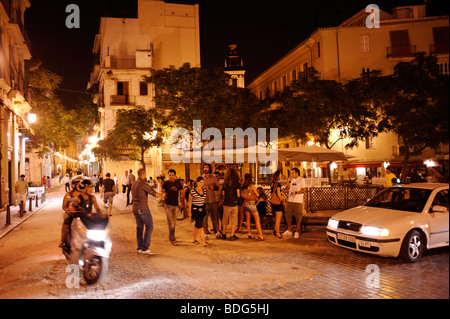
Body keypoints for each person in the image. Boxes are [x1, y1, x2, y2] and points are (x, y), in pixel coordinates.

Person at [132, 168, 159, 255]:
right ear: (143, 174)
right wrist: (163, 195)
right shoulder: (142, 183)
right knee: (149, 226)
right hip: (143, 208)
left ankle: (139, 247)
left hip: (135, 209)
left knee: (139, 228)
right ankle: (145, 248)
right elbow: (154, 193)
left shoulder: (134, 183)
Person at [284, 167, 307, 238]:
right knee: (288, 215)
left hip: (298, 201)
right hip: (290, 200)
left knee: (298, 216)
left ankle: (297, 231)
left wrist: (296, 192)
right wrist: (289, 180)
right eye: (290, 173)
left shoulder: (301, 179)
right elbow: (286, 188)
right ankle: (289, 230)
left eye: (292, 173)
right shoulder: (291, 180)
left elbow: (304, 190)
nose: (291, 174)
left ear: (296, 173)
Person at [161, 169, 183, 245]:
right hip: (168, 204)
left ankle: (171, 236)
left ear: (175, 176)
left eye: (172, 175)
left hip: (176, 204)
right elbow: (162, 192)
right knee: (171, 222)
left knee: (174, 221)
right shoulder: (165, 183)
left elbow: (182, 191)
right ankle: (172, 238)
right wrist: (163, 195)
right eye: (169, 175)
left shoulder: (178, 183)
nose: (171, 176)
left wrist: (182, 202)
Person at [241, 174, 264, 240]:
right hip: (251, 204)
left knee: (248, 219)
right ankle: (260, 234)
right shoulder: (251, 186)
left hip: (245, 203)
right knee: (257, 219)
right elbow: (257, 194)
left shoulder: (243, 186)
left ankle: (249, 233)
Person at [221, 168, 241, 241]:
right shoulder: (237, 183)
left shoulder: (225, 182)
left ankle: (223, 234)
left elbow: (223, 193)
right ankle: (232, 235)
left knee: (225, 219)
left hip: (226, 203)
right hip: (234, 203)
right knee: (234, 220)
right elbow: (238, 194)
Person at [188, 176, 208, 247]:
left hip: (202, 209)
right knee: (200, 225)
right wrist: (189, 212)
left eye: (202, 182)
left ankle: (194, 239)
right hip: (195, 210)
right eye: (200, 182)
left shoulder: (204, 190)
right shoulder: (192, 191)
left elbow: (204, 200)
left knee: (197, 225)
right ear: (197, 182)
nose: (201, 184)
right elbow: (190, 202)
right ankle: (203, 241)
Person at [203, 164, 220, 237]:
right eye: (204, 167)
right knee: (204, 217)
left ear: (209, 169)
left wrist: (213, 187)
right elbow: (197, 187)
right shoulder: (201, 178)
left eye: (206, 167)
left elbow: (217, 188)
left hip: (212, 199)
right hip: (204, 200)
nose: (205, 168)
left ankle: (217, 232)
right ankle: (205, 233)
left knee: (215, 216)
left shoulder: (214, 178)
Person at [271, 170, 285, 239]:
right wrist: (283, 200)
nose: (281, 176)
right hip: (278, 202)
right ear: (278, 176)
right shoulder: (278, 184)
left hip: (273, 202)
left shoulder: (272, 183)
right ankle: (277, 232)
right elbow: (279, 194)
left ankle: (275, 229)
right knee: (278, 218)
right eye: (280, 174)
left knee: (277, 217)